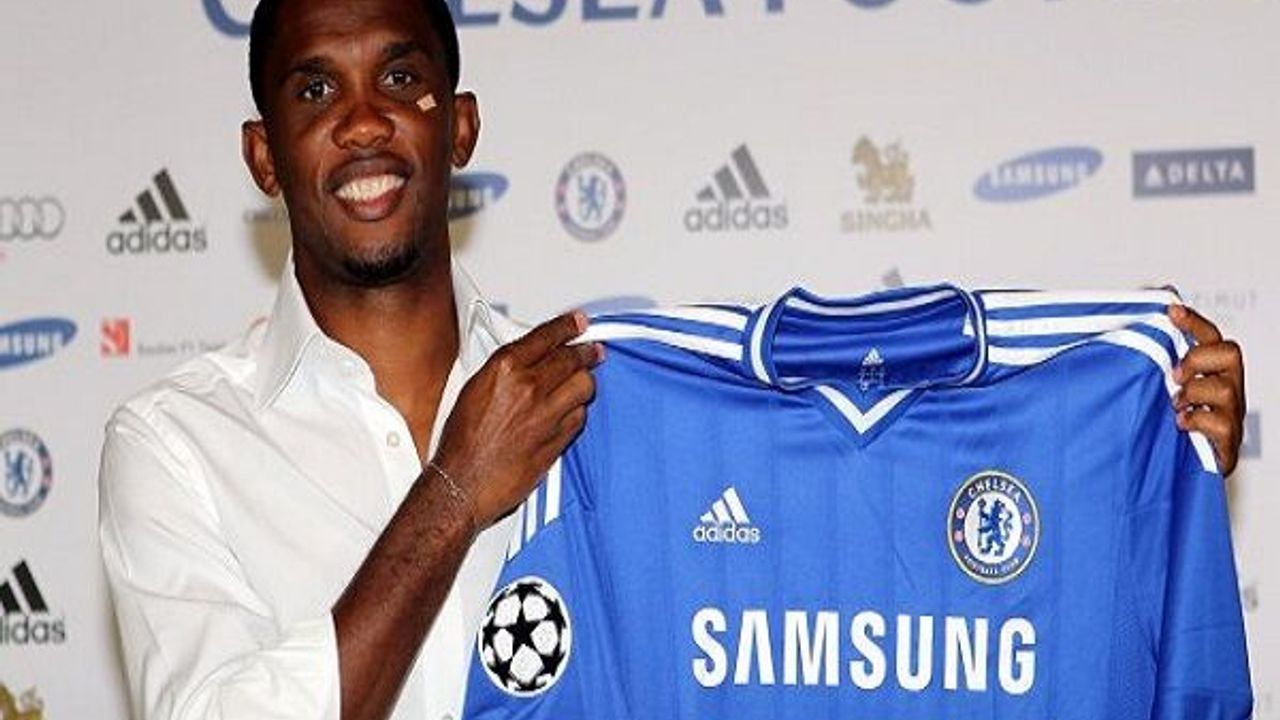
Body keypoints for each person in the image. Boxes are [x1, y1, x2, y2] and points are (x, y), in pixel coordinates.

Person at [97, 0, 1248, 719]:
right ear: (263, 154)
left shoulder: (596, 400)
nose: (362, 121)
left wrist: (1136, 446)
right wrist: (451, 497)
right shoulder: (176, 443)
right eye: (315, 89)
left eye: (401, 78)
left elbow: (854, 570)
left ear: (459, 127)